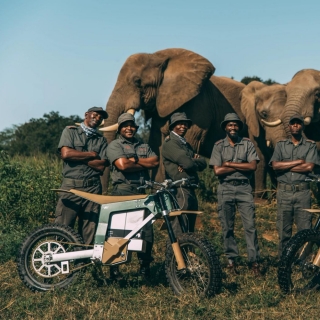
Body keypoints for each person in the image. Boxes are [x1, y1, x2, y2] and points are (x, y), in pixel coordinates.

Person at [106, 113, 159, 278]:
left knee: (146, 231)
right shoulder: (115, 145)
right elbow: (122, 165)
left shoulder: (142, 144)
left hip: (142, 192)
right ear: (120, 129)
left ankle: (144, 267)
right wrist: (141, 163)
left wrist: (134, 161)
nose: (129, 128)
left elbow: (155, 162)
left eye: (131, 125)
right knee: (120, 231)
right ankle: (115, 269)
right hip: (123, 191)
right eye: (125, 125)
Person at [209, 113, 261, 276]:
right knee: (227, 227)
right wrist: (241, 165)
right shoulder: (218, 146)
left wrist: (229, 164)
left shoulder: (247, 144)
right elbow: (217, 171)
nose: (233, 127)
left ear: (239, 127)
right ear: (225, 127)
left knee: (250, 227)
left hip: (244, 189)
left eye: (236, 125)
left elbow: (253, 166)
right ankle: (231, 262)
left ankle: (254, 262)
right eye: (230, 125)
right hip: (225, 188)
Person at [55, 106, 109, 245]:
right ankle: (58, 263)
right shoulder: (70, 131)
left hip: (93, 188)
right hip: (71, 187)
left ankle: (84, 265)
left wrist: (77, 156)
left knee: (89, 230)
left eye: (100, 118)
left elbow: (101, 165)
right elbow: (66, 154)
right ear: (86, 115)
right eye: (95, 115)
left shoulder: (101, 140)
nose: (97, 119)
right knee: (63, 227)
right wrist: (91, 155)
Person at [270, 114, 320, 258]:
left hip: (302, 192)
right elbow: (275, 165)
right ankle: (284, 261)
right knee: (283, 230)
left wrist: (284, 166)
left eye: (298, 123)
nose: (296, 126)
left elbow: (309, 167)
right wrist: (297, 162)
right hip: (284, 192)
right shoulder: (281, 145)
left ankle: (302, 262)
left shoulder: (310, 145)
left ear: (302, 126)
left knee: (304, 230)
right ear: (289, 127)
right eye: (293, 123)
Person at [162, 112, 207, 235]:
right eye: (179, 124)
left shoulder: (185, 144)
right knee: (180, 224)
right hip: (180, 189)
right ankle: (175, 254)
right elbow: (188, 164)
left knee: (190, 227)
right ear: (172, 127)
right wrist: (191, 161)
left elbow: (203, 163)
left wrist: (191, 162)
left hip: (190, 187)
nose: (183, 126)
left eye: (185, 124)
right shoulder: (170, 143)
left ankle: (187, 252)